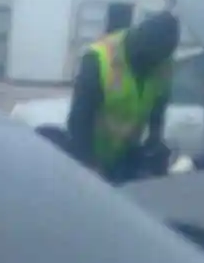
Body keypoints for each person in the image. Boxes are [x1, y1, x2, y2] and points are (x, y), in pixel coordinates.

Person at [65, 10, 181, 183]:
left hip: (125, 156)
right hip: (92, 156)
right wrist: (89, 165)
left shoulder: (163, 62)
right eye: (151, 61)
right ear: (141, 48)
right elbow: (79, 119)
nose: (154, 67)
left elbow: (158, 107)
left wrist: (154, 141)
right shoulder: (98, 59)